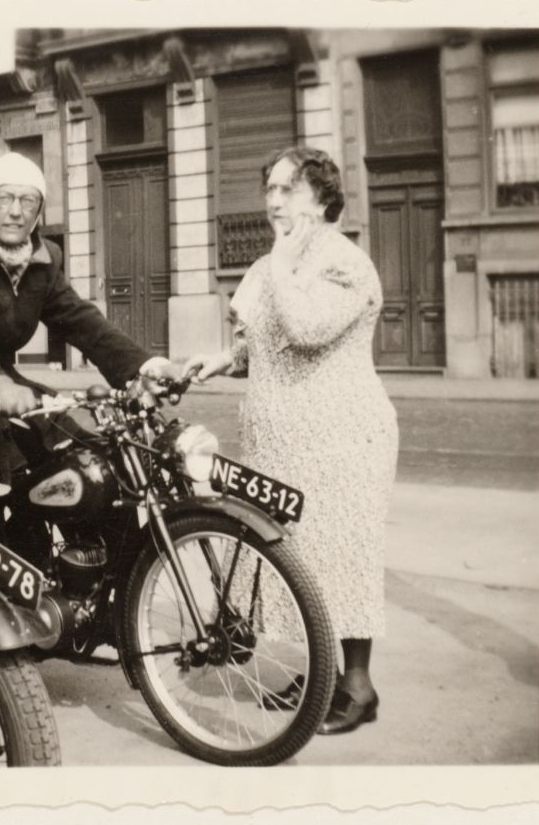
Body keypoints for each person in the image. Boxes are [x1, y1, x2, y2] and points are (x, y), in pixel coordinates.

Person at [184, 146, 399, 736]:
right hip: (284, 441)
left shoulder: (346, 264)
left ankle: (359, 687)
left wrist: (280, 264)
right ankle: (324, 675)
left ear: (323, 199)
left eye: (288, 190)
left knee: (343, 555)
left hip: (343, 435)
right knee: (301, 560)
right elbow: (265, 341)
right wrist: (223, 359)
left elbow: (306, 329)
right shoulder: (273, 263)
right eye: (270, 190)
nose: (274, 202)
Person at [0, 151, 178, 532]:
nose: (16, 211)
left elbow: (81, 320)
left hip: (4, 385)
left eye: (28, 200)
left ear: (39, 210)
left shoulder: (44, 261)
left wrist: (146, 366)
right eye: (5, 198)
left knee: (86, 459)